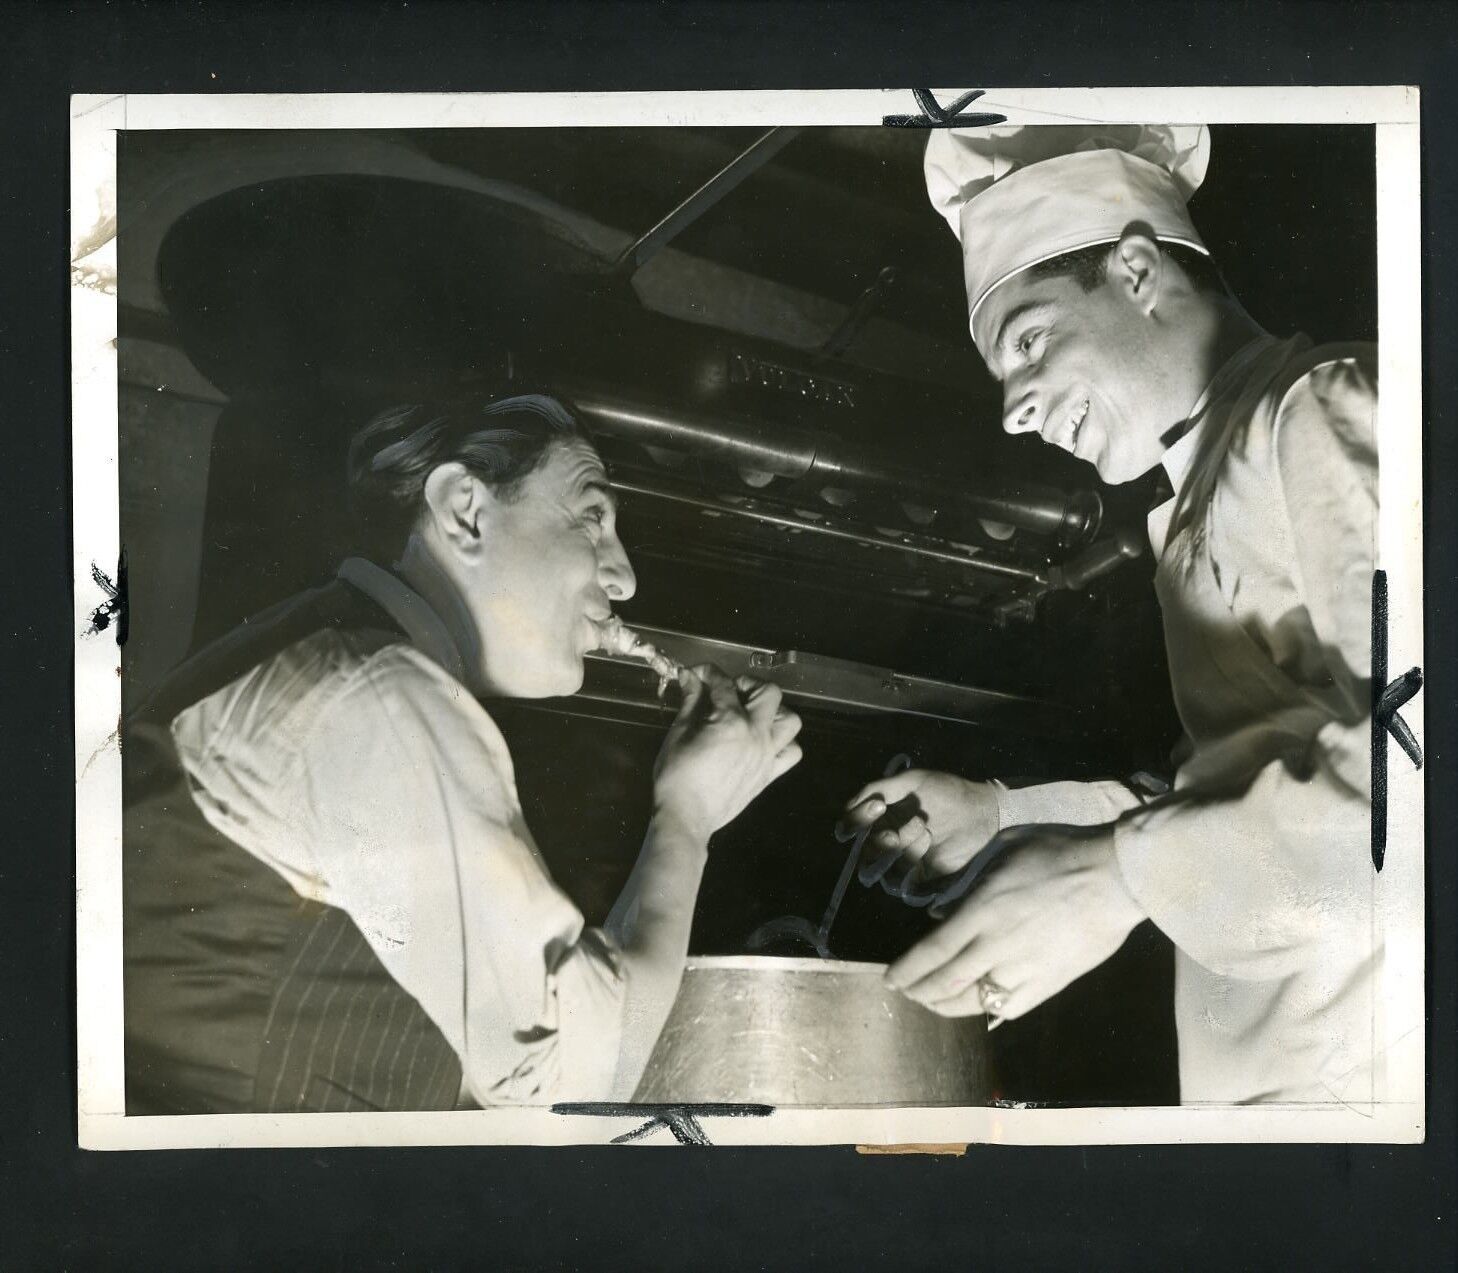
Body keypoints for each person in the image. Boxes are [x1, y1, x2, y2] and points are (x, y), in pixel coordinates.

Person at [840, 125, 1378, 1105]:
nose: (1014, 409)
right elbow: (1250, 790)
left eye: (1031, 341)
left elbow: (1414, 784)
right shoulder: (1197, 503)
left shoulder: (1320, 412)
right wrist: (1009, 814)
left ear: (1137, 271)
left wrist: (1120, 879)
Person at [123, 392, 802, 1113]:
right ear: (464, 511)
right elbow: (571, 1093)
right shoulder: (380, 695)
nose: (624, 577)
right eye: (592, 517)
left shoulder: (348, 658)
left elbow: (575, 1015)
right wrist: (689, 814)